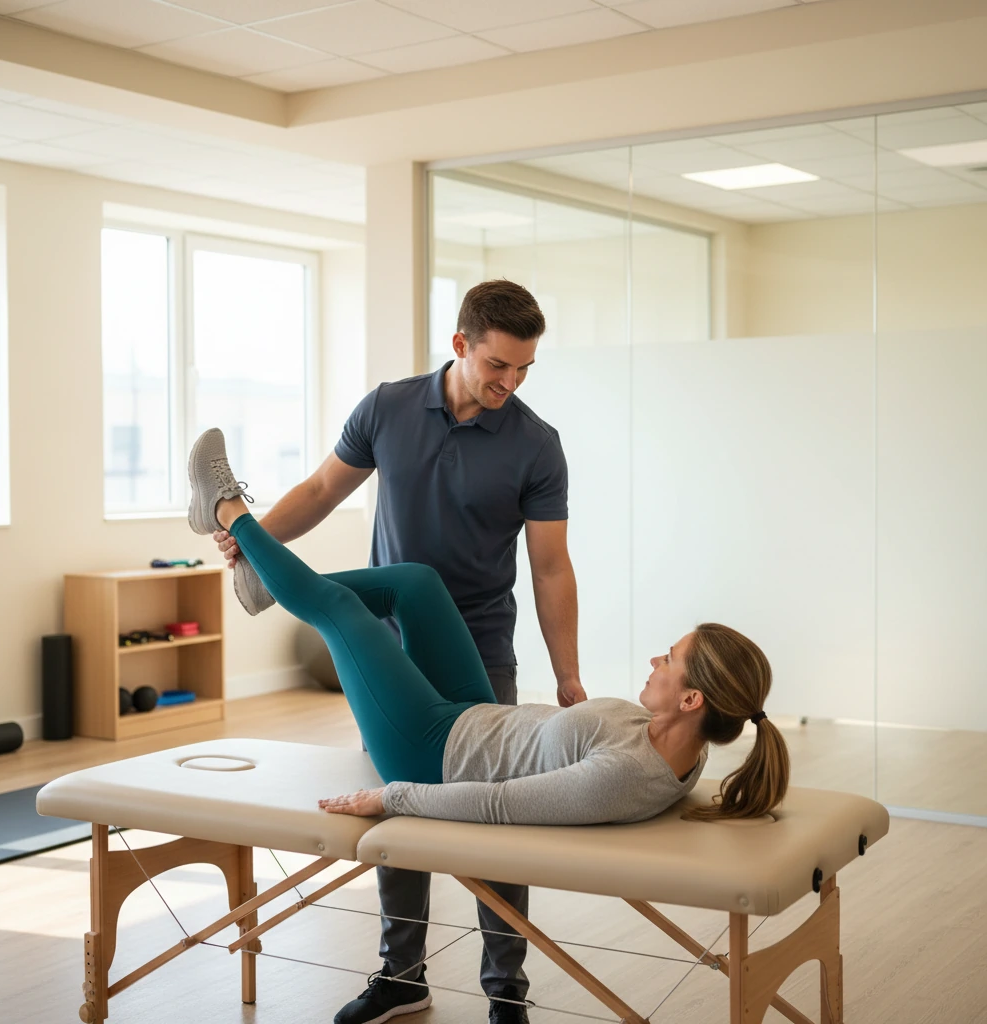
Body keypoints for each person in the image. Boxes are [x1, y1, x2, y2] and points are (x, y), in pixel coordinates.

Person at [187, 427, 791, 1013]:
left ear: (692, 701)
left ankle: (226, 508)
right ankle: (270, 584)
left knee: (341, 609)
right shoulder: (687, 744)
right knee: (417, 582)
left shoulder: (627, 775)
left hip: (432, 750)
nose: (656, 661)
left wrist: (392, 797)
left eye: (670, 660)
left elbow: (500, 803)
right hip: (475, 715)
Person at [209, 280, 584, 1024]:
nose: (510, 383)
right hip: (389, 650)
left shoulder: (536, 444)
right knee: (397, 807)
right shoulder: (387, 408)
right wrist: (257, 546)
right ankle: (402, 976)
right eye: (498, 365)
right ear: (460, 344)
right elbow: (322, 489)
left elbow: (550, 567)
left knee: (494, 821)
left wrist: (568, 675)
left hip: (481, 645)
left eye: (524, 369)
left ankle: (506, 991)